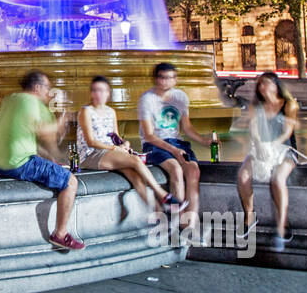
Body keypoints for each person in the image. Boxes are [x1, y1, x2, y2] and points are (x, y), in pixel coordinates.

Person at [0, 71, 84, 250]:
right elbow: (43, 131)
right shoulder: (30, 102)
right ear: (37, 87)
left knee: (52, 165)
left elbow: (26, 138)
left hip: (0, 161)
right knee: (70, 182)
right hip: (18, 164)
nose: (48, 93)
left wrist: (50, 159)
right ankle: (60, 234)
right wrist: (61, 121)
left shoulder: (11, 100)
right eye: (47, 88)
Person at [76, 76, 183, 212]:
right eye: (96, 90)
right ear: (91, 93)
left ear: (108, 93)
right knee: (136, 160)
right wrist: (116, 149)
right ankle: (163, 195)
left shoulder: (110, 111)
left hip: (110, 153)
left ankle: (158, 213)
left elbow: (115, 136)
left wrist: (124, 144)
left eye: (103, 91)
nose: (99, 94)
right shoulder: (86, 111)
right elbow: (91, 141)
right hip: (91, 155)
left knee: (134, 176)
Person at [138, 62, 210, 240]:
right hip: (155, 144)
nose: (166, 81)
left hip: (177, 142)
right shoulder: (147, 99)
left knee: (193, 171)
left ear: (175, 80)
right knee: (176, 170)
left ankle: (190, 226)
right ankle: (177, 224)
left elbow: (186, 127)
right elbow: (148, 135)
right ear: (156, 79)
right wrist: (174, 151)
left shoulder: (180, 97)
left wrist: (204, 141)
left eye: (170, 78)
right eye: (162, 77)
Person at [235, 72, 300, 252]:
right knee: (243, 176)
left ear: (276, 85)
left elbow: (287, 132)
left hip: (285, 150)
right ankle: (249, 216)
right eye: (260, 84)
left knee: (278, 180)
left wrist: (272, 144)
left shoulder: (289, 104)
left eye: (267, 83)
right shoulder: (256, 106)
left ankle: (283, 223)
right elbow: (254, 130)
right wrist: (260, 144)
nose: (263, 87)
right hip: (261, 148)